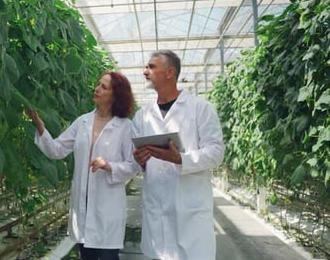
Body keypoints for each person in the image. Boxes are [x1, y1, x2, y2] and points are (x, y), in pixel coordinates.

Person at [25, 71, 139, 260]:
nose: (97, 89)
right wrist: (40, 126)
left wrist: (110, 166)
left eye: (104, 87)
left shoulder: (125, 127)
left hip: (107, 206)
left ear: (115, 95)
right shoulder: (82, 122)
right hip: (82, 205)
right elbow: (57, 149)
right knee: (87, 255)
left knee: (109, 256)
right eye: (98, 84)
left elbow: (133, 165)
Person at [132, 50, 225, 260]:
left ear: (170, 72)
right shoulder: (142, 116)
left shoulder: (200, 108)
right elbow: (137, 160)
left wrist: (181, 159)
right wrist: (141, 161)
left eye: (151, 67)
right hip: (156, 211)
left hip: (190, 213)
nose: (145, 72)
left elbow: (216, 152)